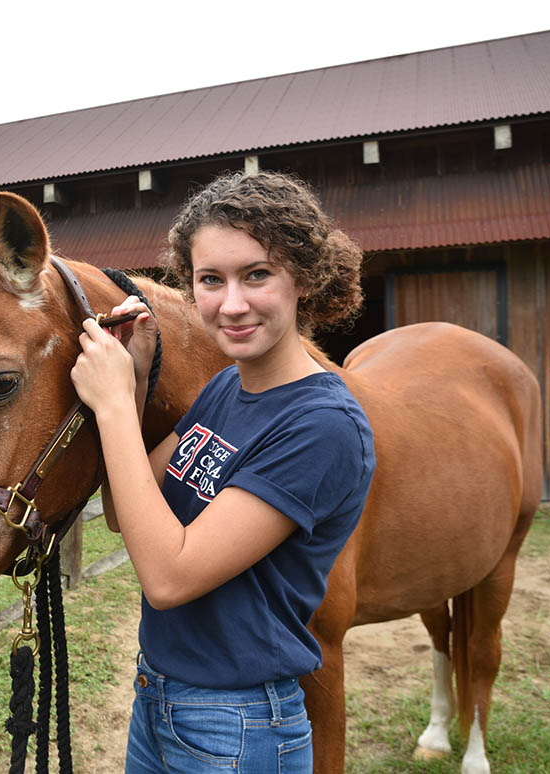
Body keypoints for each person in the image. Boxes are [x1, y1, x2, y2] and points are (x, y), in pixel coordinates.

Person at [70, 171, 376, 773]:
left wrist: (107, 406)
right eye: (210, 279)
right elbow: (124, 513)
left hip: (237, 723)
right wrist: (131, 387)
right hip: (158, 698)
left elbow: (168, 576)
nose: (230, 304)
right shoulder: (223, 390)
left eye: (256, 274)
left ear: (303, 280)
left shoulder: (324, 425)